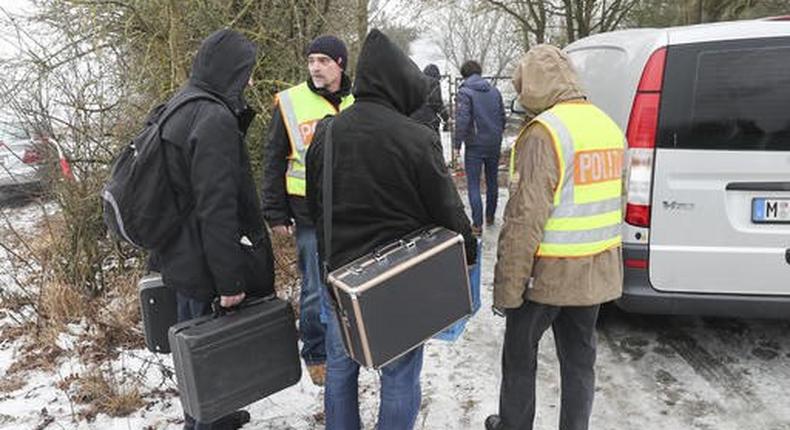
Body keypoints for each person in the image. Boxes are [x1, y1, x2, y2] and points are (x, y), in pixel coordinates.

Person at [305, 30, 477, 430]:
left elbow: (315, 206)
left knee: (340, 371)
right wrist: (467, 250)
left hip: (340, 279)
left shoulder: (327, 133)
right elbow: (447, 210)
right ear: (397, 85)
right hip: (396, 282)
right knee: (399, 378)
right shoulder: (416, 138)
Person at [485, 45, 625, 430]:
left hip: (543, 278)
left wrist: (508, 290)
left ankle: (514, 425)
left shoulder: (544, 133)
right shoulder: (608, 126)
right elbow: (619, 202)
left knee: (519, 357)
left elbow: (523, 221)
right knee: (580, 359)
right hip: (593, 271)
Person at [155, 29, 274, 430]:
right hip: (203, 260)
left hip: (180, 254)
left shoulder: (181, 104)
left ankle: (215, 415)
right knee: (207, 359)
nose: (251, 81)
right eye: (247, 72)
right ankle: (206, 420)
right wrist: (230, 281)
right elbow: (216, 207)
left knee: (195, 355)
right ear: (231, 72)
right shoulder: (214, 119)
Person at [261, 35, 354, 386]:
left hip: (350, 212)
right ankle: (316, 354)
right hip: (307, 214)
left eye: (323, 60)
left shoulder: (359, 100)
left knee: (349, 284)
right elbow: (272, 159)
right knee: (314, 287)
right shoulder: (290, 103)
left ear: (340, 64)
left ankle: (351, 343)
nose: (315, 67)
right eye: (312, 60)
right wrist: (274, 211)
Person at [453, 60, 506, 235]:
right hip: (494, 142)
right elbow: (502, 117)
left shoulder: (465, 92)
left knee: (474, 184)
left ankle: (477, 224)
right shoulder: (495, 91)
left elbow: (462, 121)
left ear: (464, 74)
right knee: (492, 180)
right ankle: (490, 216)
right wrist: (497, 134)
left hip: (475, 145)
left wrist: (457, 145)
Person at [410, 63, 449, 135]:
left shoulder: (415, 81)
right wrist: (446, 118)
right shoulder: (434, 83)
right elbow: (437, 103)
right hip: (429, 121)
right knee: (432, 144)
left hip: (414, 120)